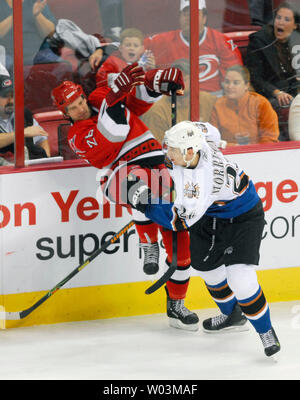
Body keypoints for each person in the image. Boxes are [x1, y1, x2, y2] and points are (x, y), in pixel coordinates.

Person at [51, 64, 199, 331]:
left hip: (155, 159)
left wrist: (158, 83)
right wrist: (114, 99)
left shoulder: (101, 98)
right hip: (121, 171)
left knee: (182, 248)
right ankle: (149, 243)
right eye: (73, 107)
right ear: (65, 113)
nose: (81, 107)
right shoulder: (77, 136)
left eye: (81, 100)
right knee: (137, 188)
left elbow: (136, 97)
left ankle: (176, 303)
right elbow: (113, 134)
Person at [143, 120, 280, 358]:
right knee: (207, 269)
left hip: (243, 217)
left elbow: (177, 221)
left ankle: (266, 332)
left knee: (240, 277)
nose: (168, 153)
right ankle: (231, 315)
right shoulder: (199, 136)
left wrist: (143, 201)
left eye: (173, 150)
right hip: (212, 214)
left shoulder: (200, 184)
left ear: (188, 152)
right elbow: (210, 130)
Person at [143, 0, 243, 96]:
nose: (189, 18)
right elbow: (134, 56)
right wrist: (150, 70)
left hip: (214, 101)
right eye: (185, 14)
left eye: (194, 13)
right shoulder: (160, 42)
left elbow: (236, 81)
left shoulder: (222, 42)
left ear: (204, 18)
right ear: (180, 17)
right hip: (177, 101)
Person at [245, 1, 300, 140]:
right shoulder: (259, 41)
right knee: (281, 104)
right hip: (270, 94)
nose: (280, 23)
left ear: (295, 26)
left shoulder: (297, 40)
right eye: (278, 18)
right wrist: (276, 92)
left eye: (286, 19)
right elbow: (255, 77)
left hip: (294, 91)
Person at [141, 58, 217, 143]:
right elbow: (158, 150)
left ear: (195, 80)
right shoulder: (156, 112)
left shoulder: (209, 100)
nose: (179, 84)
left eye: (184, 79)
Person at [209, 65, 279, 145]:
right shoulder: (218, 105)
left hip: (258, 154)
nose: (230, 86)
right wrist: (233, 147)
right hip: (227, 154)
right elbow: (212, 139)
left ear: (246, 85)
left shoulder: (261, 103)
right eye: (227, 82)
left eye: (236, 83)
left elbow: (270, 139)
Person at [0, 74, 50, 164]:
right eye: (6, 96)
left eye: (13, 95)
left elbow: (42, 138)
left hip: (28, 172)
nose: (11, 101)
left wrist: (46, 162)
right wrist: (21, 133)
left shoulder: (23, 114)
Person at [0, 0, 60, 71]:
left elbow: (51, 33)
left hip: (39, 53)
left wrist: (36, 14)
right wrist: (17, 13)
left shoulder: (36, 2)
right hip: (7, 55)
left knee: (61, 66)